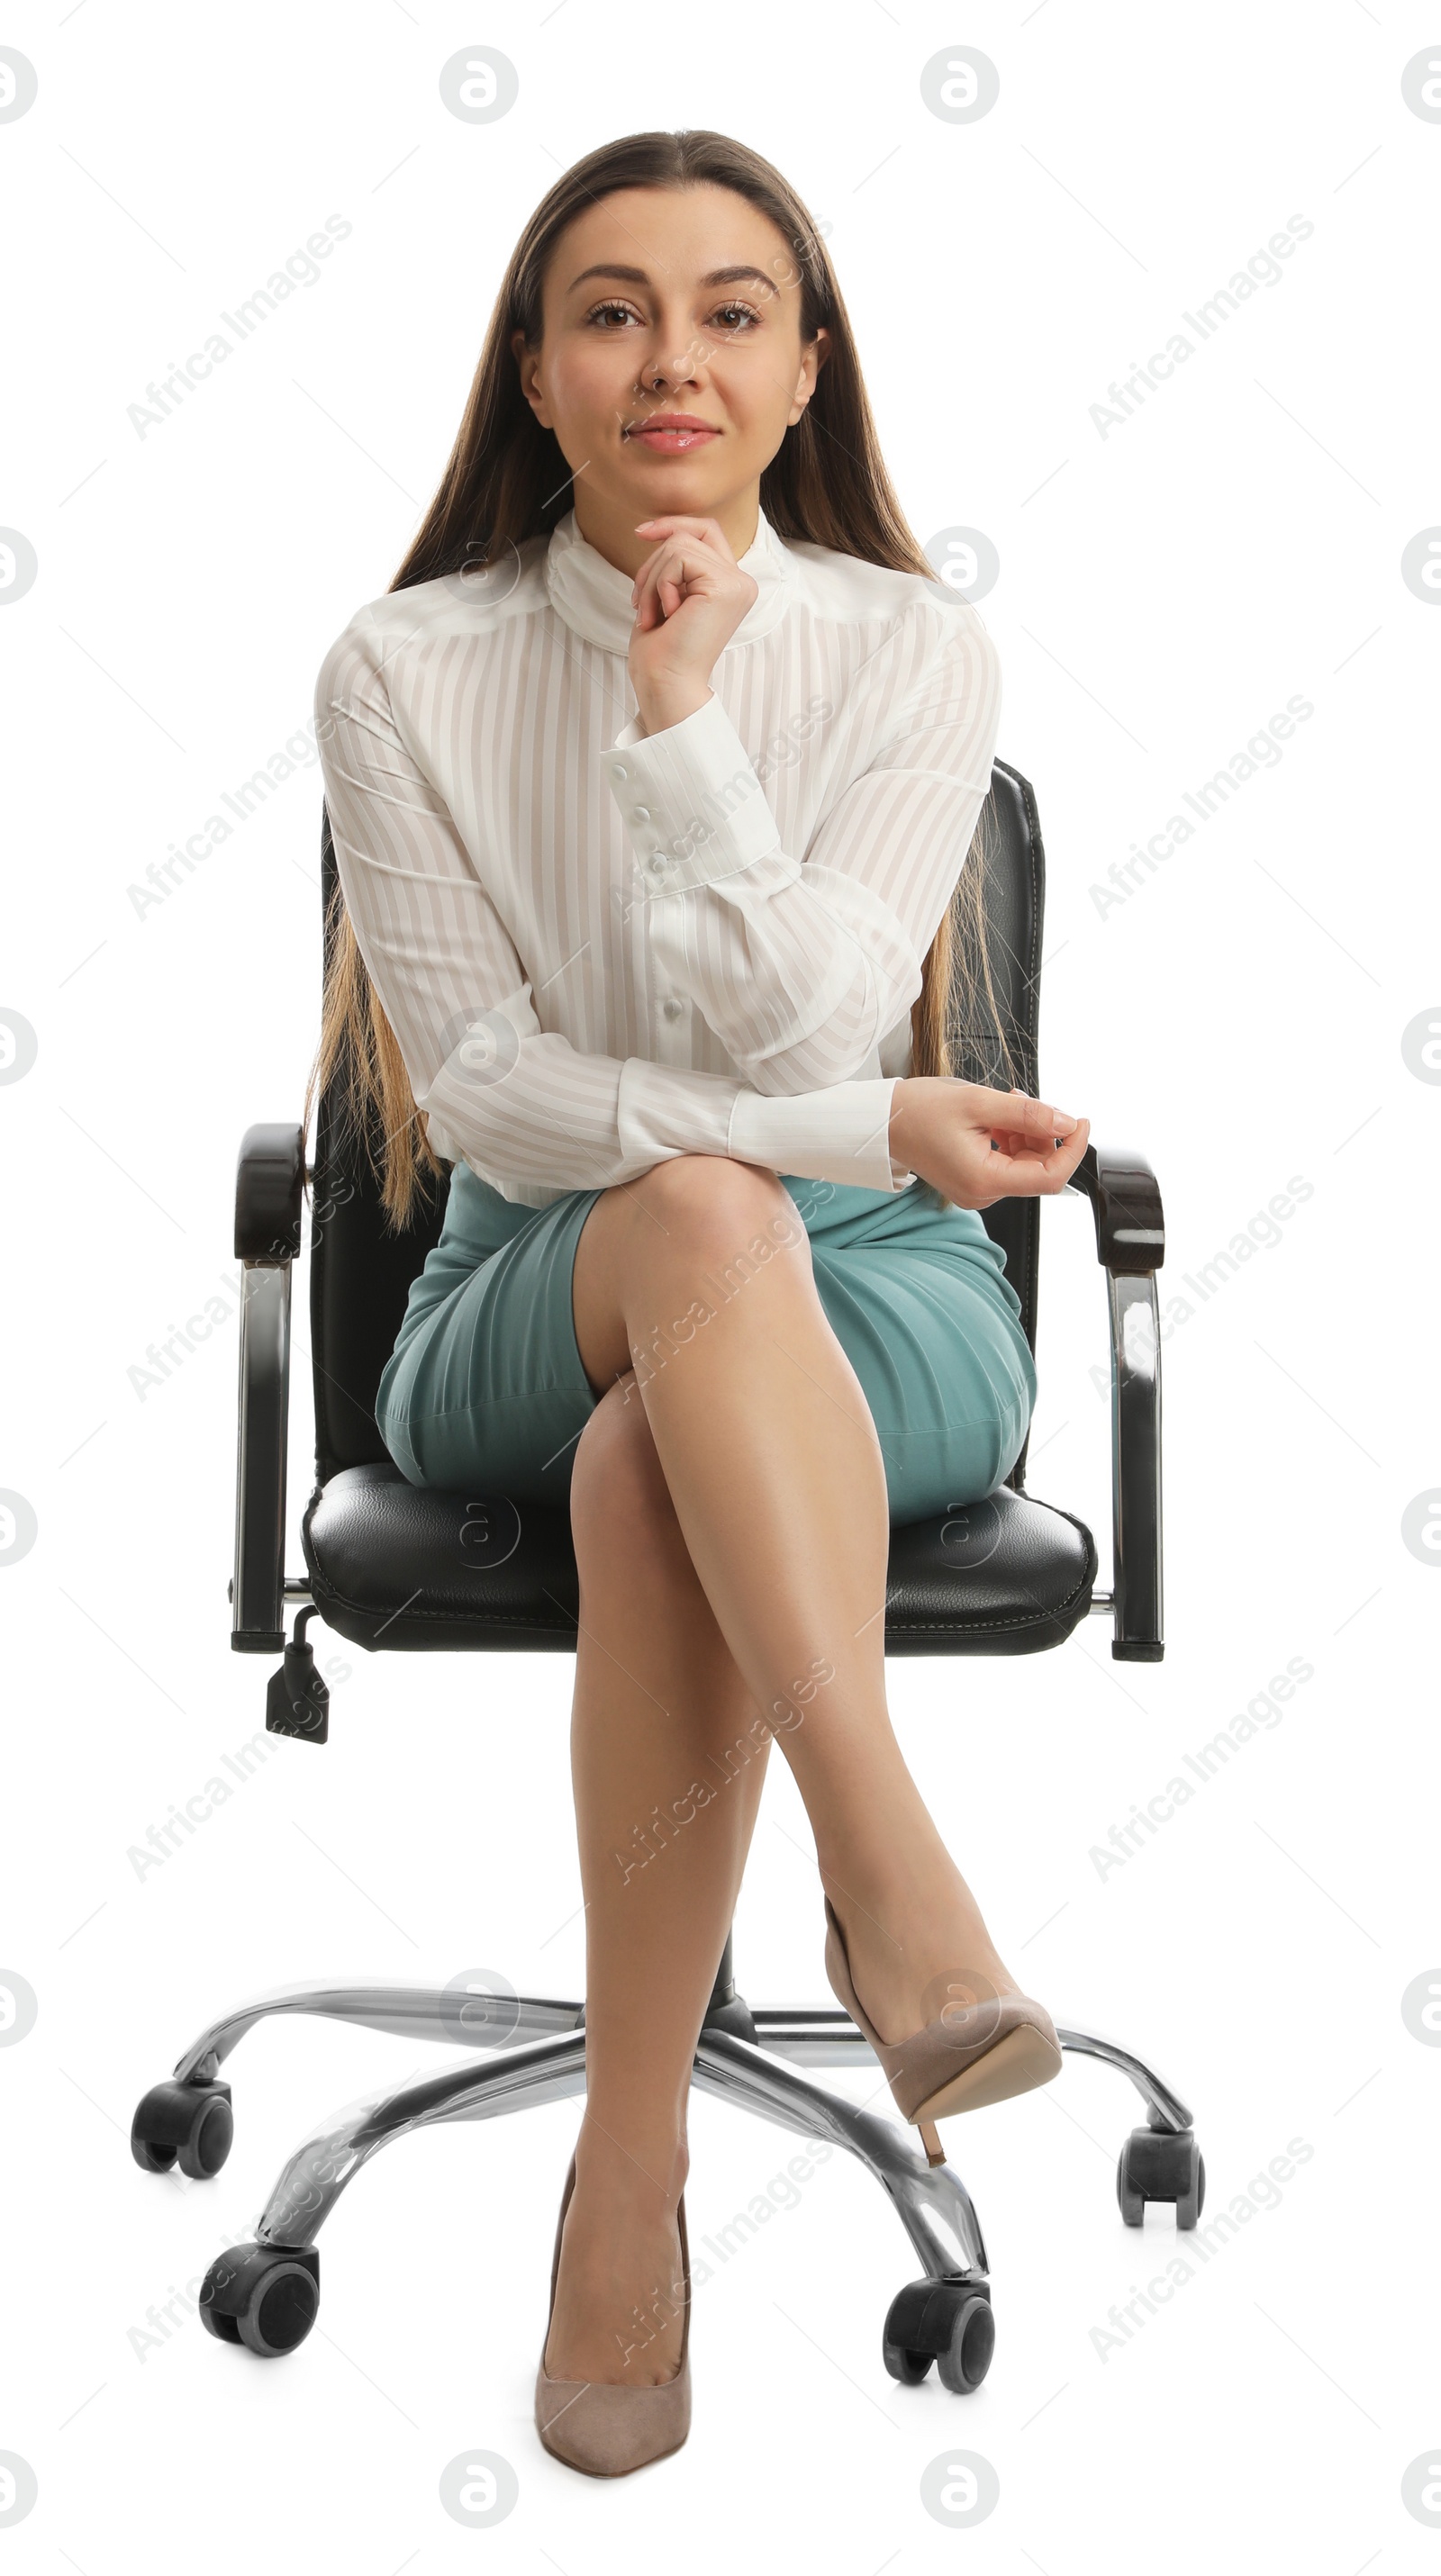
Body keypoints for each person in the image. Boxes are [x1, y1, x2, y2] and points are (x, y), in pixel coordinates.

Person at [309, 127, 1091, 2477]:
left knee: (689, 1398)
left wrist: (679, 731)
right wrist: (847, 1128)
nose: (674, 357)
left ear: (805, 367)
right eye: (614, 310)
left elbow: (798, 1039)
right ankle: (891, 1867)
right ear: (536, 377)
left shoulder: (910, 647)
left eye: (734, 309)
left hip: (882, 1308)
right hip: (519, 1297)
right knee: (696, 1228)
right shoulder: (404, 666)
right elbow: (495, 1102)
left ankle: (620, 2192)